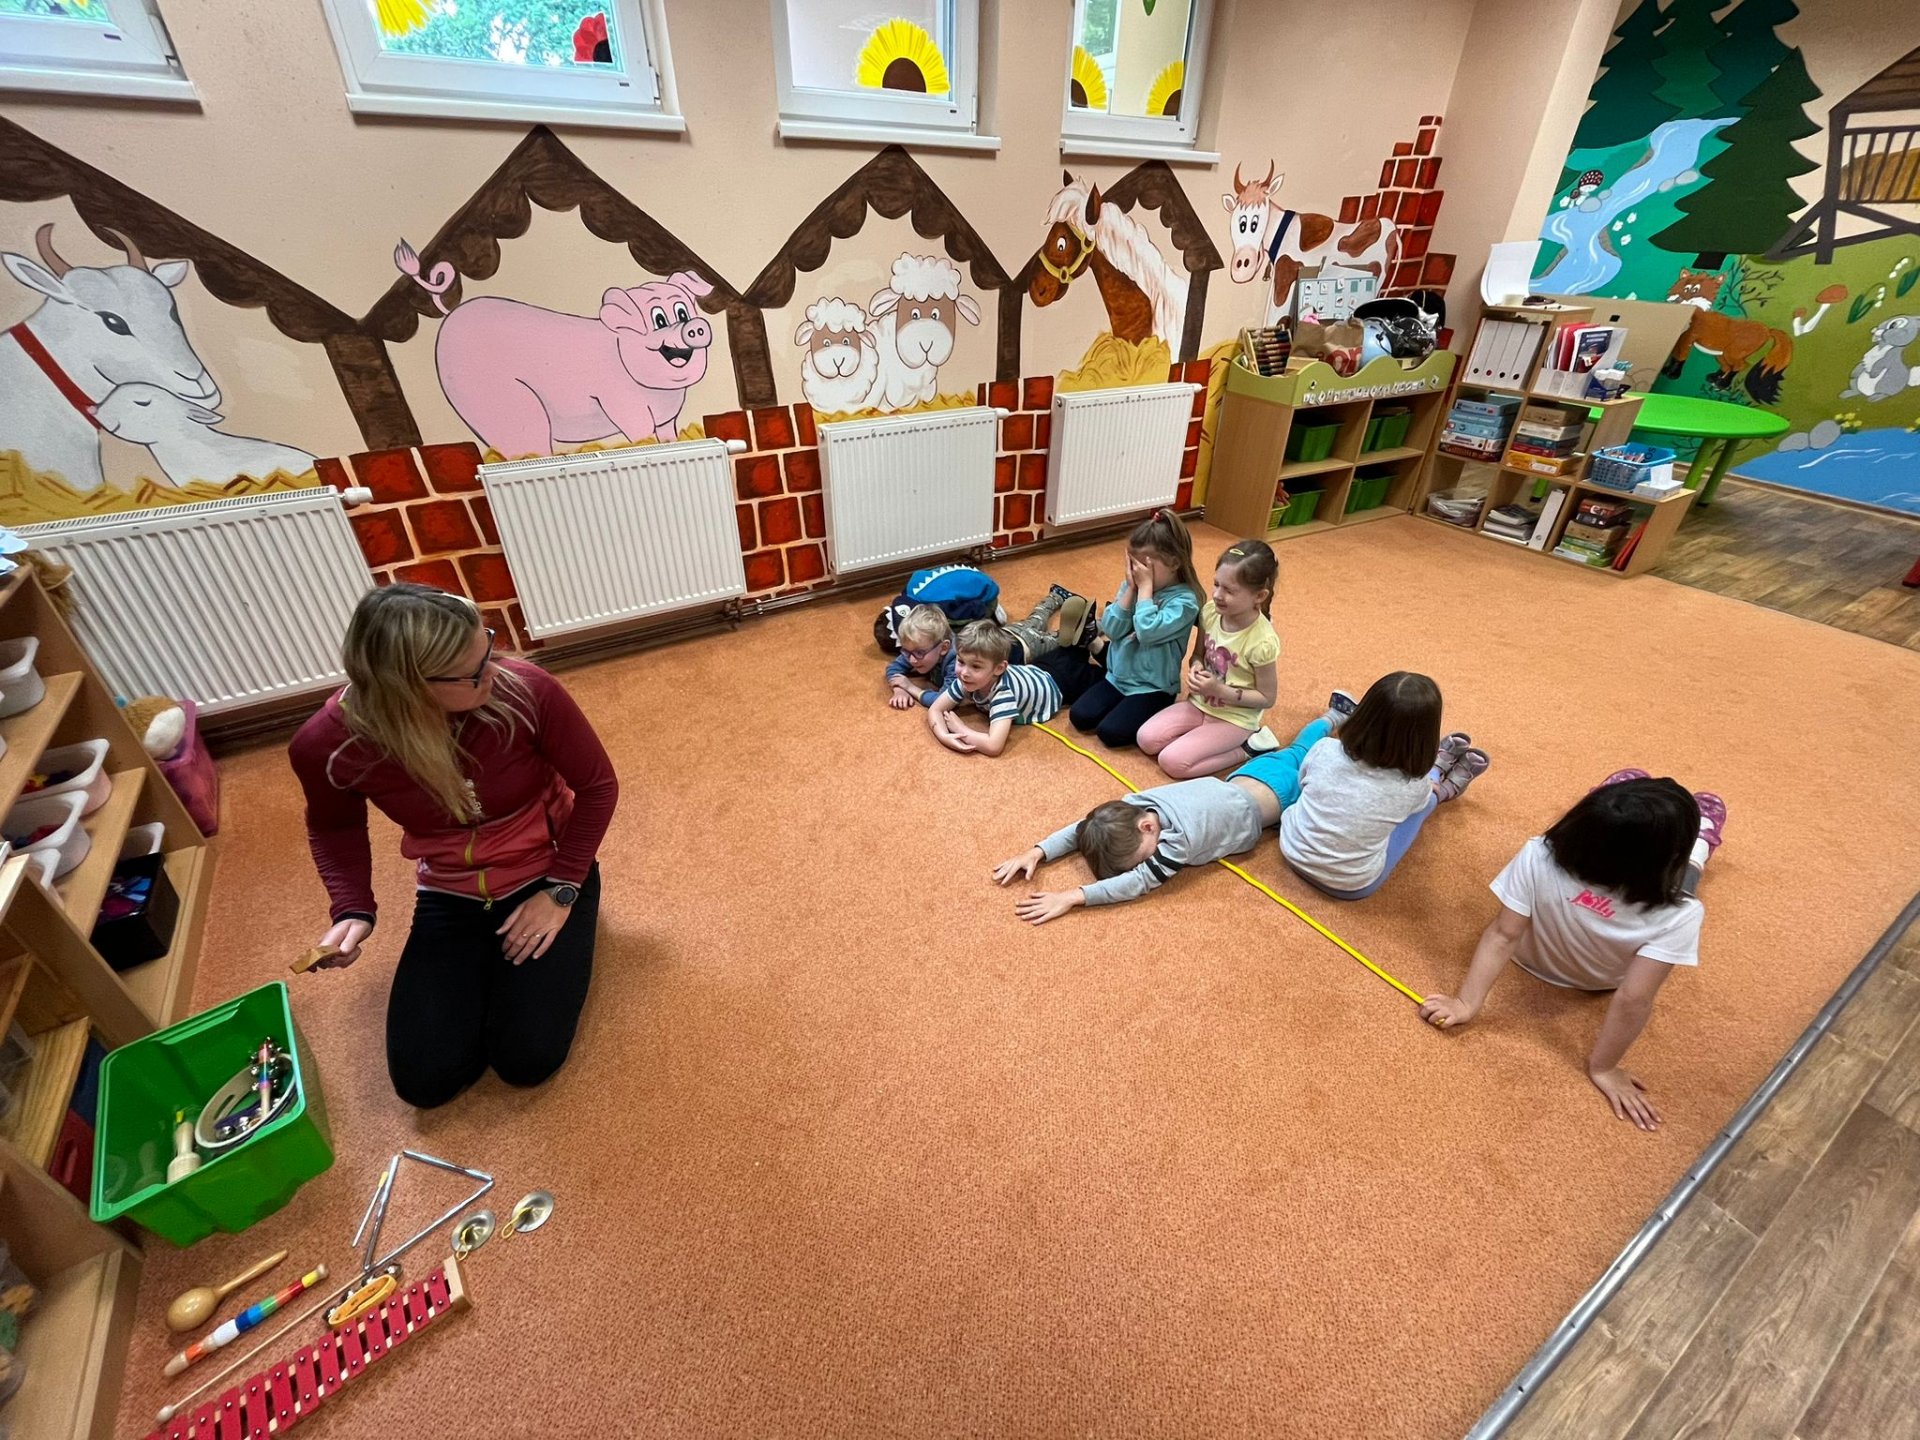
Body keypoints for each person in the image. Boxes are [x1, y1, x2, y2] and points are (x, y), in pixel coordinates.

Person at [289, 583, 618, 1109]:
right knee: (425, 1082)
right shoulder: (324, 745)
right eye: (473, 672)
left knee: (526, 1060)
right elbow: (334, 827)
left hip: (548, 871)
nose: (495, 671)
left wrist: (562, 890)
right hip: (450, 891)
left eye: (486, 647)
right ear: (407, 688)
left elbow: (598, 788)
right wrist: (352, 907)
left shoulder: (527, 690)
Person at [1418, 776, 1725, 1131]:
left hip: (1526, 956)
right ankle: (1699, 844)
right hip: (1600, 980)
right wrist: (1604, 1068)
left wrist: (1466, 1003)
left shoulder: (1538, 854)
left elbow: (1503, 934)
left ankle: (1626, 815)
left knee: (1633, 831)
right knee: (1685, 881)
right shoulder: (1681, 914)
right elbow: (1633, 999)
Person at [992, 693, 1351, 922]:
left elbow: (1137, 883)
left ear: (1147, 828)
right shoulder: (1136, 803)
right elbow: (1083, 828)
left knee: (1316, 763)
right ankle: (1328, 721)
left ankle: (1334, 720)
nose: (1148, 862)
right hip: (1246, 777)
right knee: (1297, 751)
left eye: (1143, 856)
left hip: (1284, 795)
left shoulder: (1178, 842)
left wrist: (1074, 896)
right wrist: (1037, 851)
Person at [1232, 671, 1489, 901]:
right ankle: (1438, 781)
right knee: (1424, 803)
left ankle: (1436, 777)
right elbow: (1411, 809)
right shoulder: (1412, 785)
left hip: (1291, 848)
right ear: (1423, 740)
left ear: (1363, 715)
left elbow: (1303, 782)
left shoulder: (1325, 748)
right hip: (1351, 884)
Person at [1035, 509, 1203, 749]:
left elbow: (1146, 632)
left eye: (1143, 566)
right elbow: (1112, 630)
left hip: (1153, 686)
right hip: (1118, 676)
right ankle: (1094, 649)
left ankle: (1154, 703)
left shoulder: (1185, 602)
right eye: (1132, 564)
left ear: (1174, 562)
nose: (1136, 572)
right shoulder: (1132, 585)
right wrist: (1131, 590)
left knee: (1110, 733)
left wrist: (1144, 590)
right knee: (1081, 716)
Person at [1138, 539, 1281, 779]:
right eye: (1216, 584)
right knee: (1146, 739)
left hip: (1235, 718)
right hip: (1199, 703)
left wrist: (1218, 690)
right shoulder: (1211, 613)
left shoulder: (1262, 642)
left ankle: (1250, 747)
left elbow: (1267, 698)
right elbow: (1198, 655)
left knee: (1171, 762)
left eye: (1229, 591)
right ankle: (1204, 738)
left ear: (1259, 595)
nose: (1217, 595)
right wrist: (1195, 667)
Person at [925, 620, 1063, 757]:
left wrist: (961, 729)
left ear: (999, 669)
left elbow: (994, 746)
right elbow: (935, 709)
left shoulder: (1003, 693)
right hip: (1034, 670)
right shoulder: (966, 679)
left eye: (976, 666)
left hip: (1056, 686)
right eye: (961, 661)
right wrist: (944, 736)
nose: (964, 672)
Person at [883, 604, 958, 709]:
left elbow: (944, 701)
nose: (912, 660)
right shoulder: (915, 650)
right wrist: (899, 689)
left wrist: (910, 687)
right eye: (906, 651)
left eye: (919, 652)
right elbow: (893, 668)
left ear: (944, 648)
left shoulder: (957, 663)